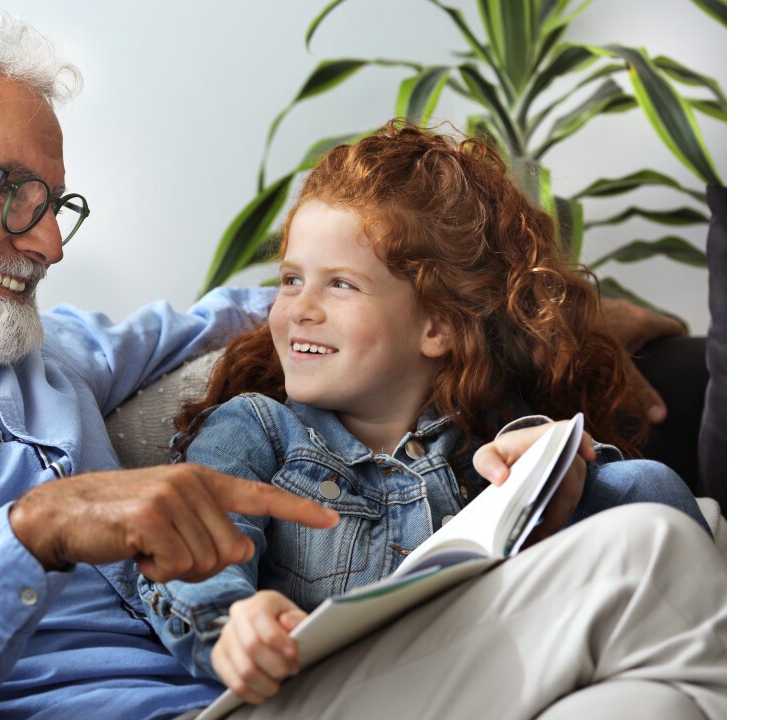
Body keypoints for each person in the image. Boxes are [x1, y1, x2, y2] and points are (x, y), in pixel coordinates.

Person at [0, 5, 724, 719]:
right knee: (649, 563)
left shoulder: (42, 350)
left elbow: (257, 304)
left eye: (57, 204)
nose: (51, 243)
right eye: (17, 195)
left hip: (253, 695)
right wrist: (30, 538)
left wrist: (523, 311)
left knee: (652, 692)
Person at [136, 121, 712, 702]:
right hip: (336, 696)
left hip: (480, 677)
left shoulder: (481, 435)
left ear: (436, 326)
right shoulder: (255, 429)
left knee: (642, 484)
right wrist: (232, 624)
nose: (299, 309)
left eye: (340, 285)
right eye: (291, 279)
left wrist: (563, 473)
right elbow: (191, 547)